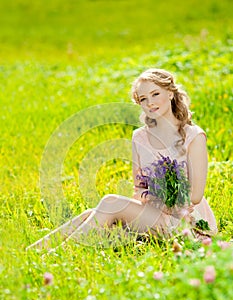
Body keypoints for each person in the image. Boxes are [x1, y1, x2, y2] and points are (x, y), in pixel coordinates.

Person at [26, 68, 217, 251]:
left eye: (155, 94)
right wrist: (152, 199)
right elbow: (138, 189)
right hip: (154, 212)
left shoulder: (193, 136)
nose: (150, 102)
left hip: (187, 221)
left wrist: (160, 200)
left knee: (110, 203)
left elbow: (195, 196)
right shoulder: (140, 137)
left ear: (170, 93)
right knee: (91, 214)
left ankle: (61, 253)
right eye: (143, 99)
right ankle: (35, 251)